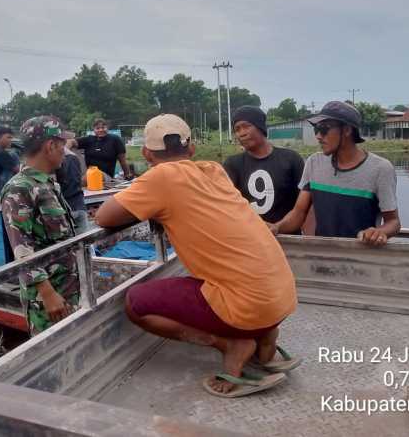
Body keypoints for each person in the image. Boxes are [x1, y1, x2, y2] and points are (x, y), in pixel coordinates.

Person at [96, 114, 298, 398]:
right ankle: (264, 337)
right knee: (236, 278)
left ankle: (231, 345)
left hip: (249, 306)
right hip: (281, 296)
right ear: (191, 149)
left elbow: (104, 216)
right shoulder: (213, 170)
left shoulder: (160, 177)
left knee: (136, 304)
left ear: (145, 153)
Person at [270, 101, 400, 245]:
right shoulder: (314, 163)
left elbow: (393, 222)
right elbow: (299, 213)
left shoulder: (380, 169)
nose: (318, 136)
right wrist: (276, 227)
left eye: (324, 129)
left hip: (362, 258)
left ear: (347, 130)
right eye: (316, 129)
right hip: (325, 255)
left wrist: (380, 232)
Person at [1, 116, 78, 335]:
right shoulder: (19, 188)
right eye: (62, 145)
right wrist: (48, 294)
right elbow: (22, 249)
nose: (66, 150)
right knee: (53, 353)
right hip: (49, 297)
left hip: (69, 286)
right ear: (50, 146)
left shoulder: (47, 182)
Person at [223, 106, 305, 226]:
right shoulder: (232, 164)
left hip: (288, 238)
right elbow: (229, 207)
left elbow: (303, 207)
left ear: (260, 127)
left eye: (246, 126)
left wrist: (279, 227)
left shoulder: (291, 159)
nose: (242, 133)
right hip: (251, 238)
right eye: (237, 129)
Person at [56, 138, 90, 234]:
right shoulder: (74, 157)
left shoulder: (52, 159)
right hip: (78, 205)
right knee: (83, 242)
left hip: (64, 208)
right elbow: (80, 180)